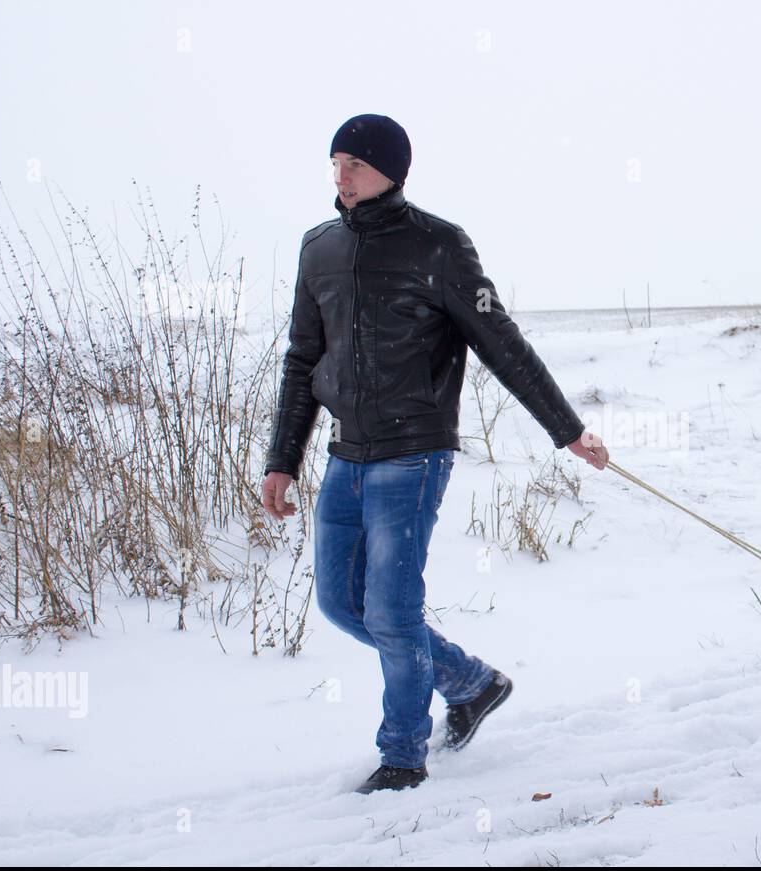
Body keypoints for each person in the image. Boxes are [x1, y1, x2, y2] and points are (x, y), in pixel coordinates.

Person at [261, 114, 609, 793]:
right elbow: (304, 357)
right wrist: (282, 458)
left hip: (412, 454)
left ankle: (402, 757)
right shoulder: (320, 248)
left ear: (392, 169)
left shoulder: (440, 246)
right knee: (340, 603)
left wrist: (566, 428)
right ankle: (471, 683)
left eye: (354, 164)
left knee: (391, 611)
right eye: (335, 162)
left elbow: (500, 342)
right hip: (345, 454)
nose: (340, 175)